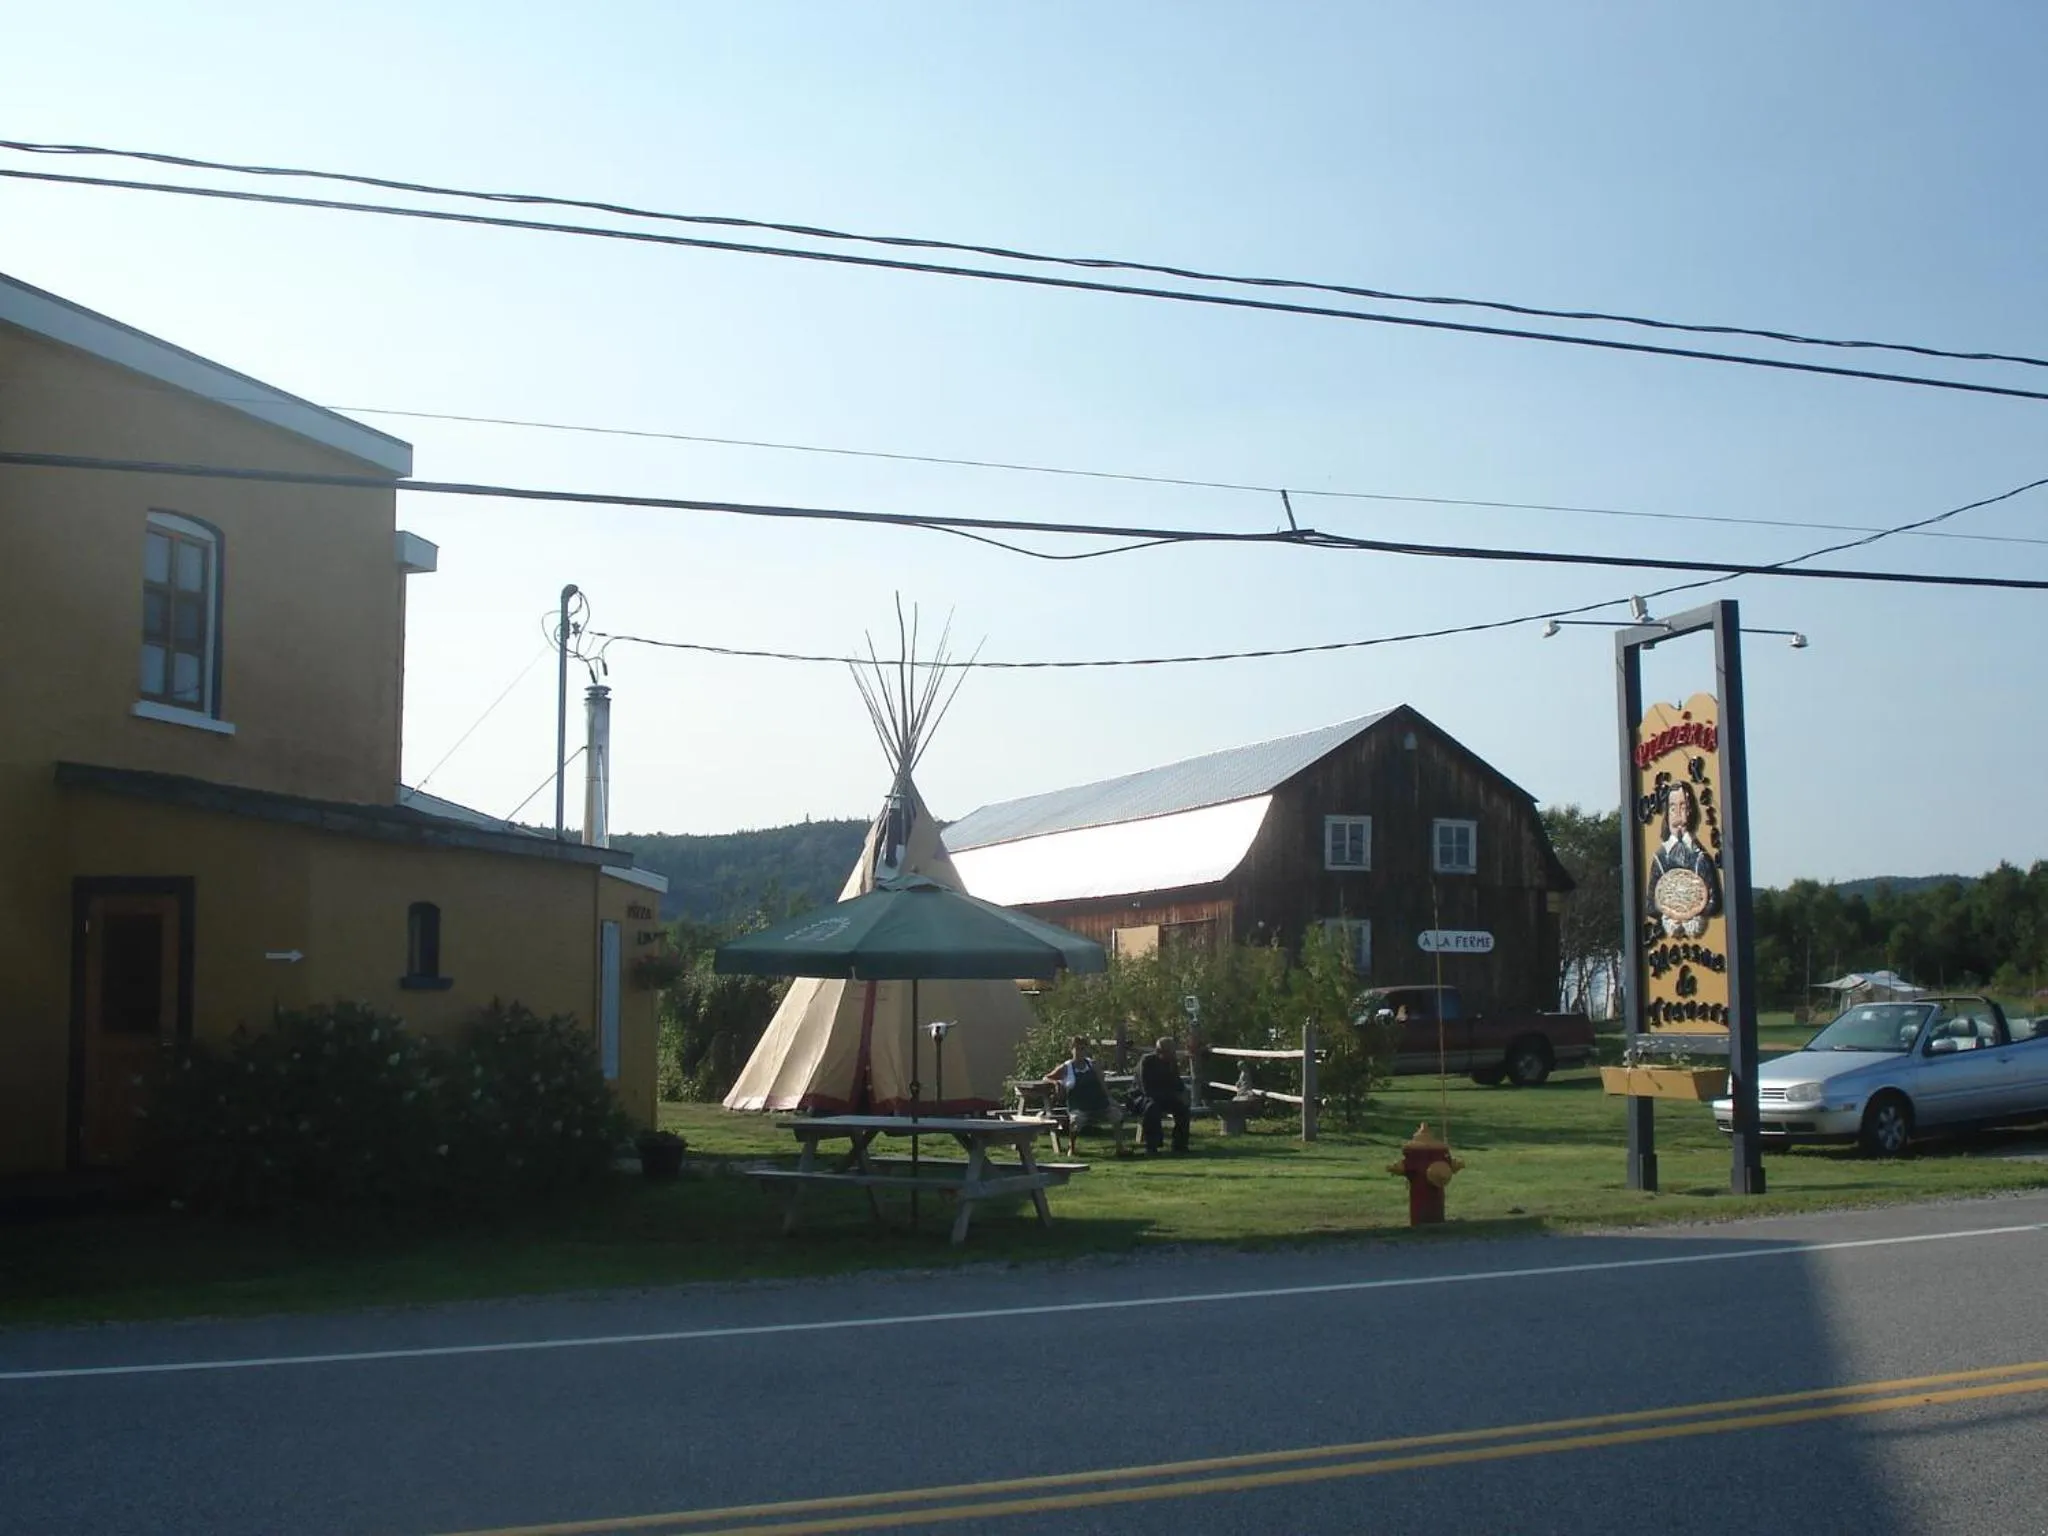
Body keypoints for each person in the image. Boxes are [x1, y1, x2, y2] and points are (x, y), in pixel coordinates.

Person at [1647, 780, 1721, 939]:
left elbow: (1714, 902)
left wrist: (1692, 912)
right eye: (1673, 807)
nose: (1678, 814)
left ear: (1690, 810)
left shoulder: (1701, 857)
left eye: (1683, 806)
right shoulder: (1660, 858)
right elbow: (1650, 905)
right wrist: (1671, 912)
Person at [1043, 1035, 1122, 1140]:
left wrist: (1110, 1099)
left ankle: (1120, 1147)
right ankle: (1072, 1147)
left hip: (1099, 1105)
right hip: (1078, 1107)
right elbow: (1045, 1078)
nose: (1080, 1052)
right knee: (1076, 1121)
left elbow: (1102, 1084)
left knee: (1116, 1115)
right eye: (1077, 1049)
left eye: (1082, 1049)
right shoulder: (1066, 1067)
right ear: (1071, 1050)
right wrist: (1055, 1083)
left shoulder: (1092, 1065)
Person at [1133, 1036, 1192, 1155]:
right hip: (1142, 1097)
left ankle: (1180, 1144)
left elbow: (1178, 1083)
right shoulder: (1147, 1061)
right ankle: (1152, 1145)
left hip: (1164, 1096)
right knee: (1152, 1108)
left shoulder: (1171, 1063)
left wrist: (1182, 1095)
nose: (1173, 1054)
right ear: (1161, 1051)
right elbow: (1146, 1088)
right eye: (1170, 1052)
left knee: (1183, 1109)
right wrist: (1169, 1094)